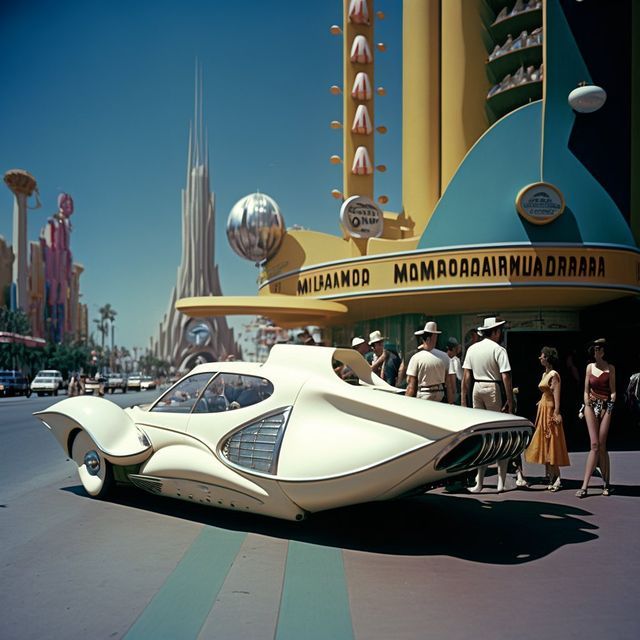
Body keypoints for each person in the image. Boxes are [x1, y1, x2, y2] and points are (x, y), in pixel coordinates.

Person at [462, 316, 522, 492]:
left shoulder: (472, 349)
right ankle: (501, 483)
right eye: (499, 330)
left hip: (477, 388)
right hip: (493, 387)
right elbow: (506, 376)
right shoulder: (499, 349)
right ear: (494, 331)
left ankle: (479, 483)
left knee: (481, 436)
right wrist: (510, 401)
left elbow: (466, 376)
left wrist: (464, 400)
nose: (501, 333)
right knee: (499, 435)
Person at [524, 347, 570, 491]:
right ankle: (550, 475)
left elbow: (557, 395)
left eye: (542, 356)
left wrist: (556, 413)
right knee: (545, 441)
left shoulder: (553, 374)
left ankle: (557, 477)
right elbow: (546, 392)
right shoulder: (545, 373)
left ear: (548, 358)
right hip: (543, 409)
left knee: (552, 442)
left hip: (550, 410)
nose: (540, 358)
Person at [575, 338, 616, 498]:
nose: (595, 351)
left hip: (606, 405)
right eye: (594, 349)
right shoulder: (589, 367)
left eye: (598, 349)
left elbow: (613, 391)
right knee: (594, 444)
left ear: (603, 351)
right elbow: (585, 390)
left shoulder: (610, 368)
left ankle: (606, 483)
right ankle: (585, 485)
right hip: (591, 405)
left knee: (602, 445)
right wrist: (587, 403)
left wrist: (610, 406)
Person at [406, 321, 455, 403]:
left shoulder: (416, 358)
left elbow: (411, 385)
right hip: (440, 394)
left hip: (424, 393)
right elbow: (449, 383)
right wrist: (451, 402)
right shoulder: (444, 356)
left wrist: (406, 403)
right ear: (430, 338)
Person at [446, 337, 462, 404]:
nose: (459, 349)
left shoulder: (444, 357)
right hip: (454, 395)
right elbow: (455, 377)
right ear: (453, 349)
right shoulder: (455, 360)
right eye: (457, 347)